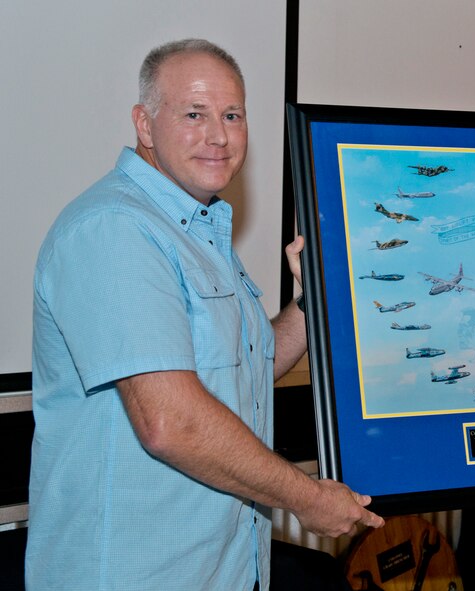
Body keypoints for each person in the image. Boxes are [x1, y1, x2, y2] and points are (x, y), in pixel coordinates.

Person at [26, 39, 383, 591]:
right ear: (144, 125)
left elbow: (245, 368)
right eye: (195, 114)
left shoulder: (198, 229)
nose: (219, 135)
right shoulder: (115, 229)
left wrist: (314, 300)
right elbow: (171, 422)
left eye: (232, 115)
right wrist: (308, 498)